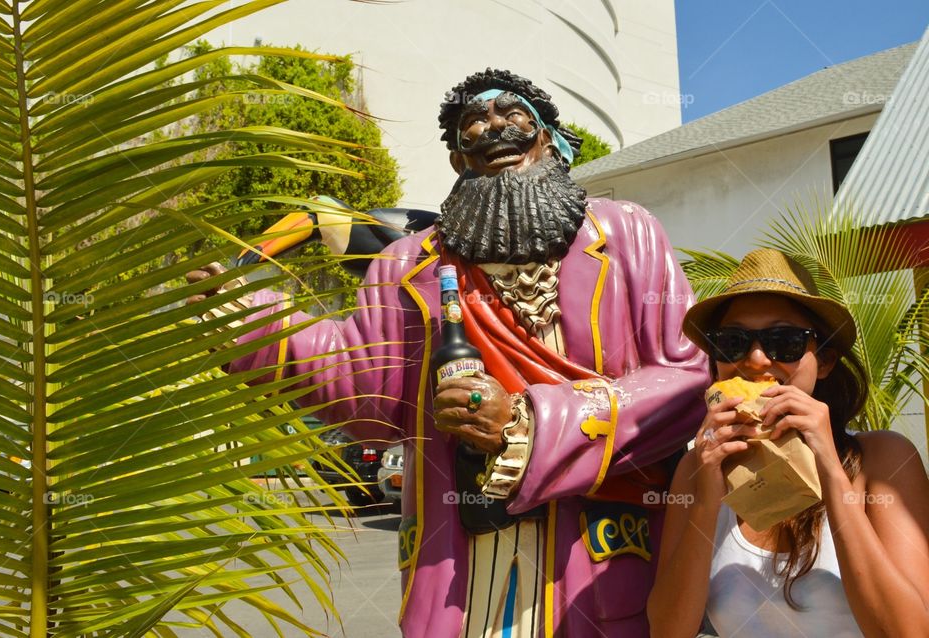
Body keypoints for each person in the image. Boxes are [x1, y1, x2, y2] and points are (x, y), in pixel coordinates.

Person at [190, 69, 708, 637]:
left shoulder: (627, 233)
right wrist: (253, 323)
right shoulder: (409, 265)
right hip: (462, 553)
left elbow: (684, 379)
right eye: (473, 124)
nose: (493, 129)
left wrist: (527, 423)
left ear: (549, 138)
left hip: (596, 552)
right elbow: (364, 385)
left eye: (512, 115)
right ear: (460, 160)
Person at [647, 249, 929, 638]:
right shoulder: (697, 470)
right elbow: (667, 631)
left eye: (785, 341)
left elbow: (910, 631)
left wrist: (830, 468)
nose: (757, 360)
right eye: (733, 342)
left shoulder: (882, 460)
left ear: (825, 361)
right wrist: (706, 498)